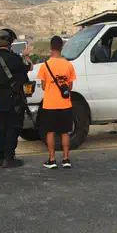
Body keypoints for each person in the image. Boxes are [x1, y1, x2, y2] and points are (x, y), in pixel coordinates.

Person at [0, 28, 33, 168]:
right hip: (13, 98)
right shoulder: (15, 59)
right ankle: (9, 158)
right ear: (9, 42)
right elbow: (29, 68)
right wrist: (26, 56)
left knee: (0, 126)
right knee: (13, 126)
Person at [36, 35, 76, 169]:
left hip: (49, 105)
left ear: (50, 47)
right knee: (65, 132)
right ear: (62, 47)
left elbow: (42, 86)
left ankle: (52, 160)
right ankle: (66, 159)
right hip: (65, 104)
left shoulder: (45, 66)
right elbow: (70, 87)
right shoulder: (69, 65)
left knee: (51, 132)